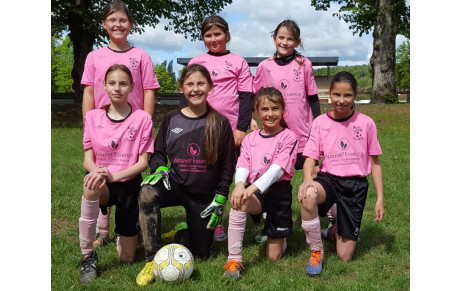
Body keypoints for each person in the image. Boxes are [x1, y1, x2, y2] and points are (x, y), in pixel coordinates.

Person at [136, 64, 236, 286]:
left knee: (201, 254)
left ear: (210, 86)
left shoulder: (220, 123)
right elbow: (158, 153)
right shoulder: (171, 119)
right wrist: (160, 168)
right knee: (146, 193)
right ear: (181, 88)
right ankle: (152, 259)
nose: (195, 89)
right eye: (190, 84)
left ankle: (182, 232)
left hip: (203, 196)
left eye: (200, 83)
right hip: (175, 185)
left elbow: (229, 165)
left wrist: (220, 197)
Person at [80, 0, 160, 247]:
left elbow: (148, 91)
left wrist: (143, 123)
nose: (118, 24)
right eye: (112, 20)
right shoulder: (95, 56)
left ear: (131, 25)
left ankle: (126, 228)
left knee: (126, 179)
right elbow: (89, 94)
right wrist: (88, 126)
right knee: (99, 175)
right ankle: (103, 230)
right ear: (104, 24)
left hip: (131, 130)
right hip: (102, 129)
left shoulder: (141, 56)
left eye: (123, 20)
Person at [297, 71, 385, 277]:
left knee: (345, 256)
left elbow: (376, 163)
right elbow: (310, 155)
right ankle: (316, 250)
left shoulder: (366, 123)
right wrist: (308, 179)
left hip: (355, 186)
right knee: (308, 195)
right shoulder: (320, 122)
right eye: (337, 95)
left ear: (354, 96)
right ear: (329, 95)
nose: (341, 100)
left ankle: (337, 228)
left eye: (347, 95)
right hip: (329, 180)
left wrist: (380, 198)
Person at [77, 64, 154, 283]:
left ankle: (136, 232)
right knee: (89, 182)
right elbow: (87, 159)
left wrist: (114, 176)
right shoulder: (92, 117)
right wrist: (98, 172)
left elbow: (142, 163)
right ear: (104, 86)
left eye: (123, 83)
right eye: (112, 83)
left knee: (126, 258)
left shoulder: (142, 119)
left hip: (128, 184)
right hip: (103, 183)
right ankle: (87, 254)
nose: (117, 88)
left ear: (131, 86)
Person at [180, 15, 254, 242]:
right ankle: (214, 222)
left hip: (230, 130)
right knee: (207, 175)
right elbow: (186, 96)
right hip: (202, 127)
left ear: (227, 35)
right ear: (203, 38)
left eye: (218, 34)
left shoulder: (238, 62)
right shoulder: (197, 62)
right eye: (208, 35)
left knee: (232, 174)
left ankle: (251, 214)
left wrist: (241, 128)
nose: (213, 39)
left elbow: (246, 97)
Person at [252, 19, 321, 243]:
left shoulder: (304, 64)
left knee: (316, 173)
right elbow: (256, 97)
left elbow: (312, 97)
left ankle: (328, 218)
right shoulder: (264, 66)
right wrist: (252, 121)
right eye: (281, 37)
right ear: (274, 39)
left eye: (290, 38)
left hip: (303, 135)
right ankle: (272, 224)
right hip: (275, 136)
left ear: (297, 42)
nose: (285, 42)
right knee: (274, 180)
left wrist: (320, 125)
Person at [223, 87, 298, 280]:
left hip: (279, 194)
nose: (270, 114)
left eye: (275, 108)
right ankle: (234, 259)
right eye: (265, 109)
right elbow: (243, 164)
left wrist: (251, 189)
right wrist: (240, 185)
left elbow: (277, 170)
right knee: (238, 204)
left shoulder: (289, 137)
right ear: (256, 111)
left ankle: (277, 233)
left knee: (273, 257)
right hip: (255, 193)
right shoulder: (250, 138)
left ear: (283, 110)